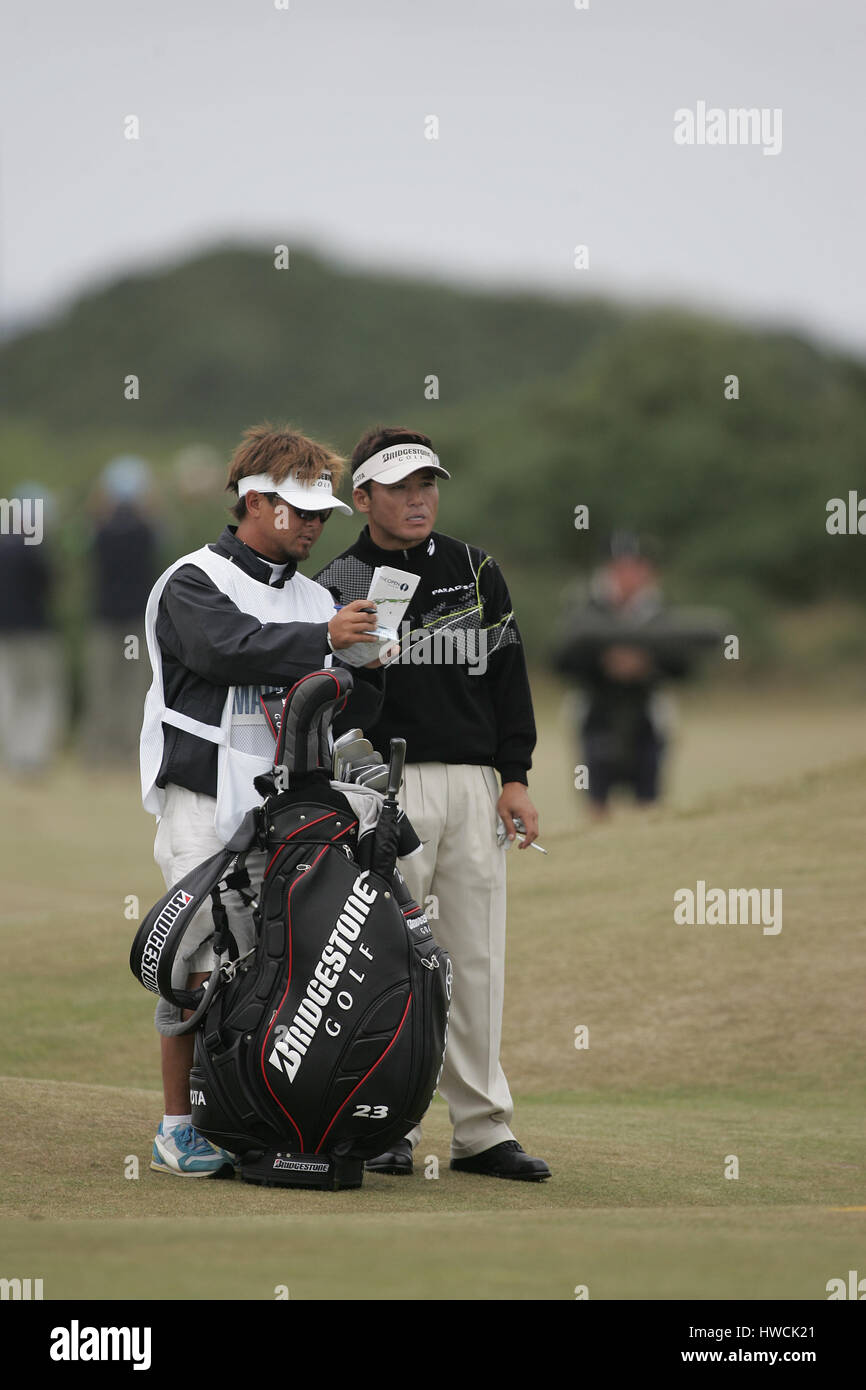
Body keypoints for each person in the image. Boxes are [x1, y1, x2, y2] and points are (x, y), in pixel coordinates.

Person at [139, 424, 382, 1176]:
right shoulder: (192, 579)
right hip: (204, 800)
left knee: (285, 967)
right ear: (254, 500)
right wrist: (328, 641)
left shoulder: (316, 596)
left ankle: (257, 1113)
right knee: (197, 965)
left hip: (292, 809)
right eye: (298, 510)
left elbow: (354, 702)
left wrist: (367, 662)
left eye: (319, 514)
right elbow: (226, 649)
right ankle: (178, 1125)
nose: (312, 525)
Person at [315, 426, 550, 1181]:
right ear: (363, 498)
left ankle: (483, 1131)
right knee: (389, 960)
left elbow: (508, 677)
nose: (418, 500)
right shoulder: (338, 581)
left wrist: (515, 776)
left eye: (428, 485)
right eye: (400, 488)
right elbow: (328, 699)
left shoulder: (475, 568)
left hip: (475, 782)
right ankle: (385, 1125)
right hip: (384, 783)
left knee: (475, 957)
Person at [553, 531, 694, 817]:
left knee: (650, 800)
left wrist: (647, 664)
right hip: (596, 712)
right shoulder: (584, 608)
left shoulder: (659, 610)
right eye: (620, 567)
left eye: (636, 566)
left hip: (647, 714)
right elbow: (561, 662)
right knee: (596, 800)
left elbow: (683, 666)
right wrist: (604, 662)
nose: (628, 575)